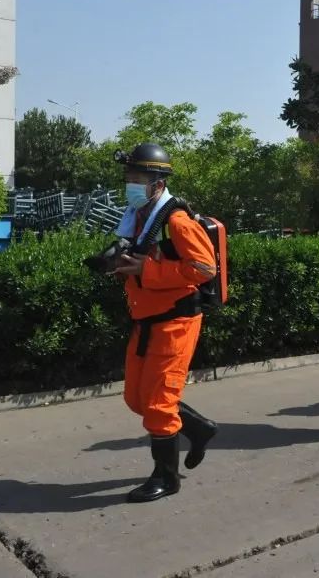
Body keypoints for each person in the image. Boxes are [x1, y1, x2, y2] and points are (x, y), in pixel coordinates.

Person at [91, 143, 219, 503]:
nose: (131, 184)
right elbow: (142, 259)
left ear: (158, 183)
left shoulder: (176, 221)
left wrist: (146, 269)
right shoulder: (138, 218)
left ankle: (166, 477)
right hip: (146, 318)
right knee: (137, 398)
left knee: (160, 404)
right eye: (129, 177)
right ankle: (199, 428)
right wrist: (118, 267)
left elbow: (205, 268)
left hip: (176, 321)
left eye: (138, 178)